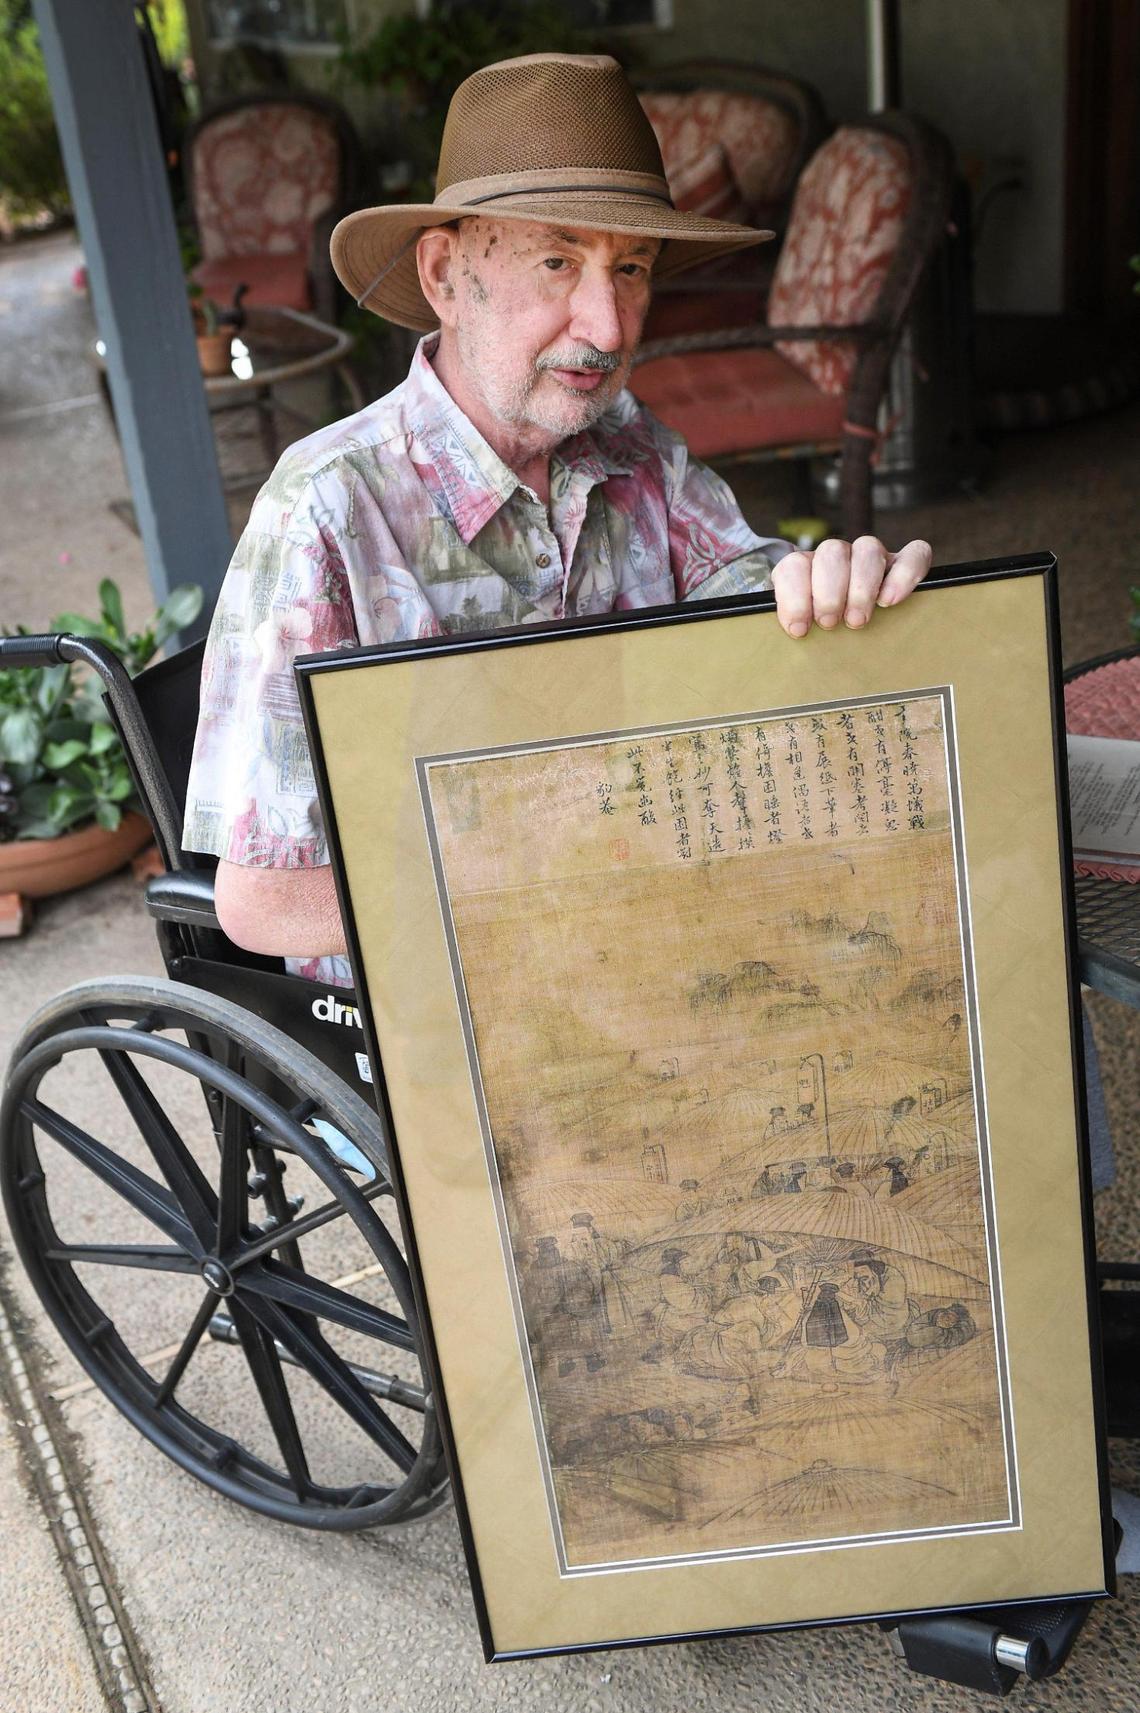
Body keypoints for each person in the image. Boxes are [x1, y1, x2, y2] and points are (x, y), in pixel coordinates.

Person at [183, 53, 934, 981]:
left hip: (660, 941)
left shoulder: (627, 442)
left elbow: (747, 591)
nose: (610, 327)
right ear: (445, 274)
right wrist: (547, 874)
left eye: (632, 268)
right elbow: (261, 901)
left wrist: (823, 588)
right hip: (451, 1003)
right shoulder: (327, 508)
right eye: (557, 261)